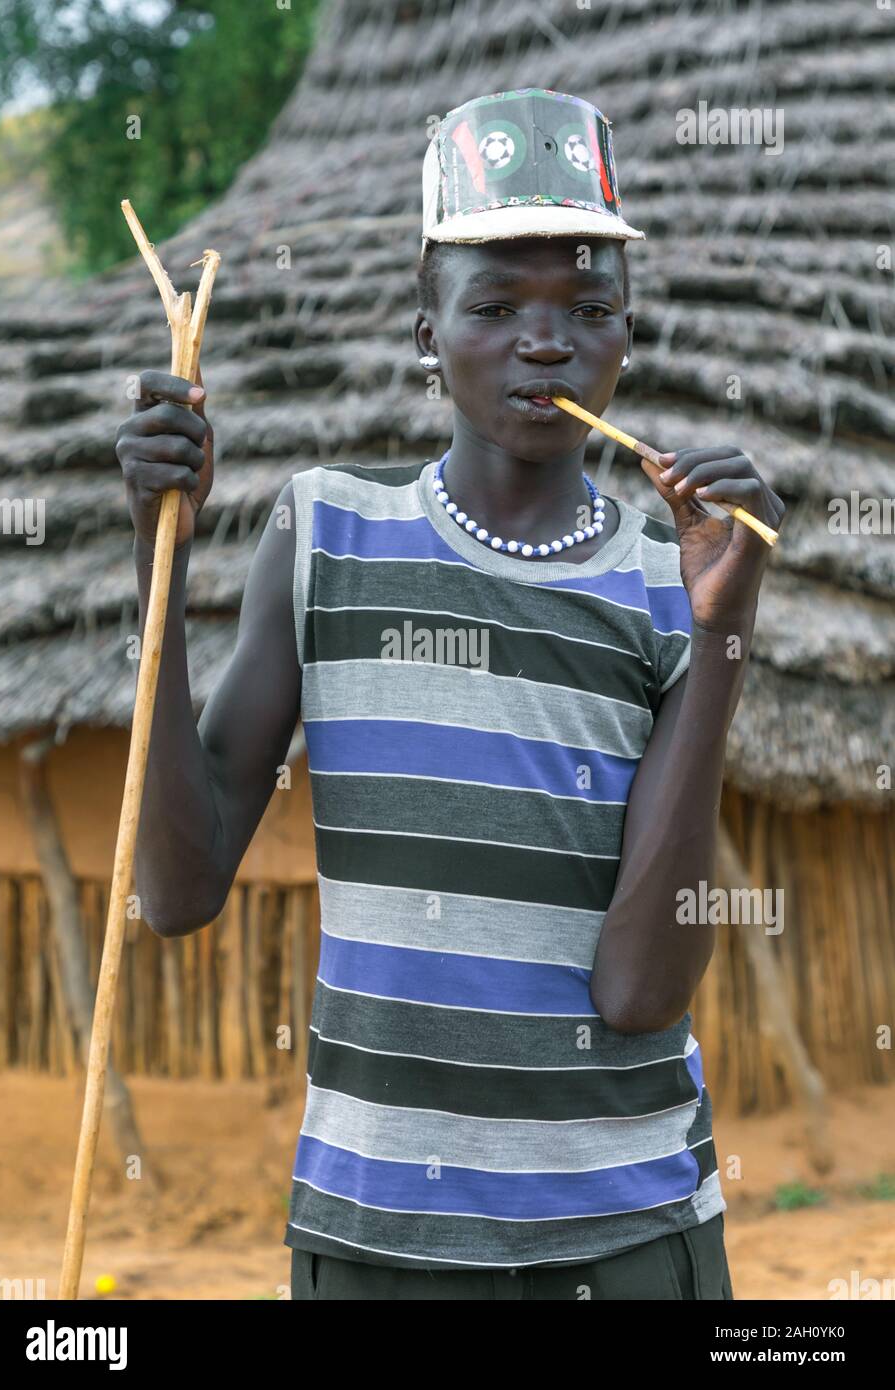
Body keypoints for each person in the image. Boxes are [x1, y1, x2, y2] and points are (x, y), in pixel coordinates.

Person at [116, 88, 784, 1300]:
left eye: (589, 308)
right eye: (493, 306)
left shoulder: (669, 585)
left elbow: (638, 993)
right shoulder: (324, 534)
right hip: (375, 1240)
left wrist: (720, 632)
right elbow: (173, 888)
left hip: (628, 1237)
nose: (547, 342)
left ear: (626, 334)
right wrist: (154, 554)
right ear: (425, 329)